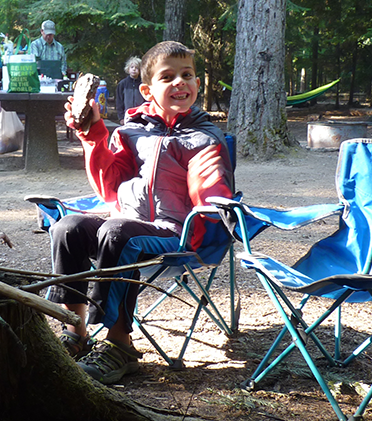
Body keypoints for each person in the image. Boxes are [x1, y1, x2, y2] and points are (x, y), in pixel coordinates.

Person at [50, 41, 234, 384]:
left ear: (197, 84)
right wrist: (91, 134)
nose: (180, 82)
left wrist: (212, 192)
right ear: (147, 90)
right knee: (68, 227)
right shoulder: (131, 132)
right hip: (127, 222)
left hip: (176, 232)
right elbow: (109, 185)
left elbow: (212, 192)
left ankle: (120, 345)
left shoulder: (205, 137)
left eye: (188, 75)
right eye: (169, 77)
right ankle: (75, 331)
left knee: (117, 232)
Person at [115, 56, 145, 124]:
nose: (134, 69)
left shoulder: (143, 84)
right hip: (127, 117)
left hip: (141, 117)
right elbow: (119, 101)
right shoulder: (122, 84)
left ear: (140, 70)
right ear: (128, 69)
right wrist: (121, 117)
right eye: (132, 67)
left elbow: (147, 100)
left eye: (136, 68)